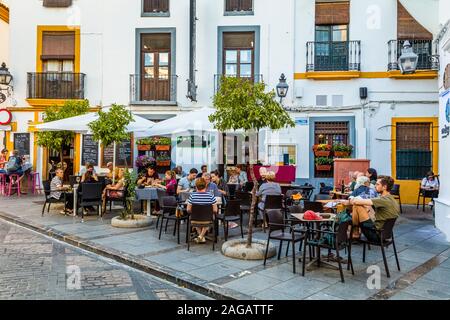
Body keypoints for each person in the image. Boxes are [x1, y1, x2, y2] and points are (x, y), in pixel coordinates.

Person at [346, 176, 400, 241]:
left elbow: (356, 201)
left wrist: (350, 200)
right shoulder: (391, 199)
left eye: (377, 184)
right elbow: (373, 212)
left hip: (375, 234)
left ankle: (355, 232)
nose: (374, 186)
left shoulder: (382, 199)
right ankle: (355, 232)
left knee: (356, 206)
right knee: (364, 206)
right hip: (385, 234)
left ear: (384, 187)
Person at [186, 178, 218, 244]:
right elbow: (215, 210)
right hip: (207, 220)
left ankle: (200, 236)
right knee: (208, 217)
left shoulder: (192, 196)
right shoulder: (211, 196)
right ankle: (201, 236)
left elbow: (188, 210)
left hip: (194, 219)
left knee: (196, 216)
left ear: (196, 186)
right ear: (205, 185)